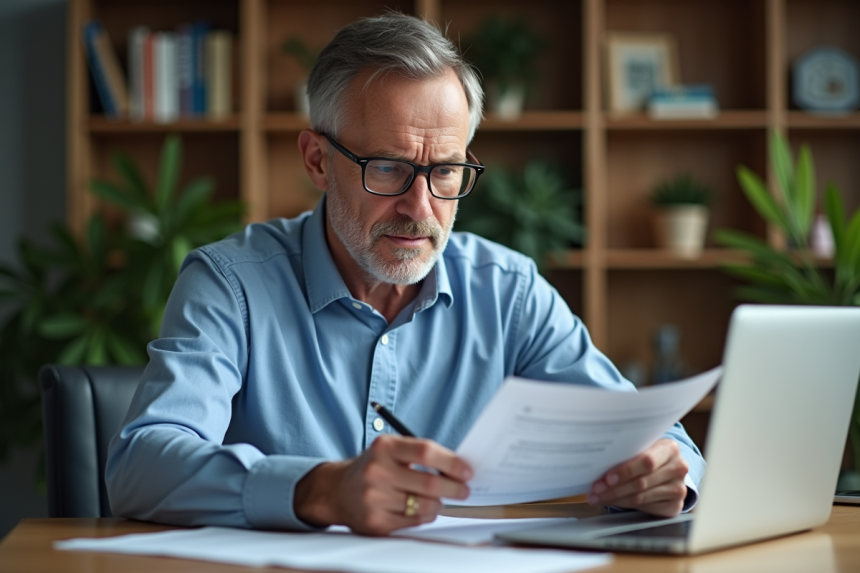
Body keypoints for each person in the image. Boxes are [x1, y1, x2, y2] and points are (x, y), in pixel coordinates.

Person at [106, 13, 704, 536]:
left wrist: (663, 471)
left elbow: (658, 438)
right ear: (317, 161)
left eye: (445, 171)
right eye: (388, 167)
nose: (420, 208)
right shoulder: (230, 284)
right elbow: (139, 466)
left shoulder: (509, 291)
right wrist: (320, 489)